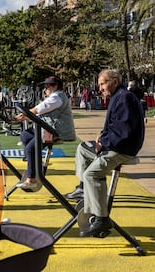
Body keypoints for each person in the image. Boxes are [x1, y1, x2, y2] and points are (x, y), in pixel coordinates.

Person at [65, 69, 145, 237]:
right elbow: (114, 126)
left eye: (103, 83)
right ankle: (83, 189)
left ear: (114, 81)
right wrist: (102, 136)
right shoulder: (118, 96)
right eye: (99, 84)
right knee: (83, 148)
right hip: (114, 144)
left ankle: (102, 219)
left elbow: (124, 131)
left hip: (123, 149)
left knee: (92, 175)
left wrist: (104, 143)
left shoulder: (124, 97)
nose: (100, 88)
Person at [14, 76, 76, 191]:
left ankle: (31, 180)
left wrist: (22, 116)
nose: (45, 89)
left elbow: (39, 109)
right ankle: (36, 163)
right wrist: (23, 116)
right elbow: (38, 111)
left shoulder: (57, 97)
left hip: (55, 131)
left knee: (30, 149)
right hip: (47, 128)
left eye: (47, 86)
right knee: (25, 135)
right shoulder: (54, 96)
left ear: (55, 86)